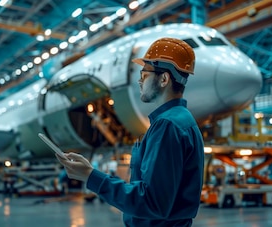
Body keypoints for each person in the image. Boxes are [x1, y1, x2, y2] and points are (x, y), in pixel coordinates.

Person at [55, 37, 205, 227]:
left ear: (164, 79)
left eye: (144, 74)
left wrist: (91, 176)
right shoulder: (181, 121)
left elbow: (152, 202)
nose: (140, 81)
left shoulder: (168, 125)